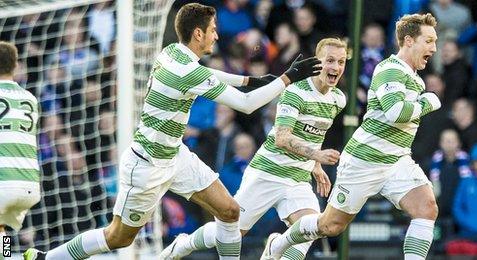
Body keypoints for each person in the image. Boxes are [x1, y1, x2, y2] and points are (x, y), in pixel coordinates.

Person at [24, 3, 320, 260]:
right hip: (146, 165)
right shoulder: (186, 71)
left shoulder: (173, 53)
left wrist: (249, 79)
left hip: (175, 156)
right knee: (118, 237)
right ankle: (47, 257)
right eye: (213, 29)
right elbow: (245, 106)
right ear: (198, 34)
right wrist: (288, 77)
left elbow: (209, 74)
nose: (217, 35)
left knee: (230, 211)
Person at [261, 13, 441, 260]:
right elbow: (396, 111)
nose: (434, 47)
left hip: (396, 160)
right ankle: (278, 244)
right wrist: (429, 101)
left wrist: (423, 98)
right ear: (409, 41)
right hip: (363, 161)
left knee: (426, 207)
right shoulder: (390, 69)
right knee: (330, 226)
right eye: (429, 41)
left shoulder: (413, 77)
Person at [159, 37, 348, 260]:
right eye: (330, 61)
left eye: (342, 62)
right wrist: (317, 155)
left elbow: (314, 133)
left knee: (310, 229)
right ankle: (184, 244)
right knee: (231, 232)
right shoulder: (296, 92)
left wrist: (315, 165)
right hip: (267, 173)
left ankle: (276, 248)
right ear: (318, 62)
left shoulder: (338, 99)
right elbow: (282, 138)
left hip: (297, 178)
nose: (336, 67)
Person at [0, 41, 41, 240]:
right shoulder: (30, 98)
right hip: (29, 185)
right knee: (1, 229)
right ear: (16, 66)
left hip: (3, 182)